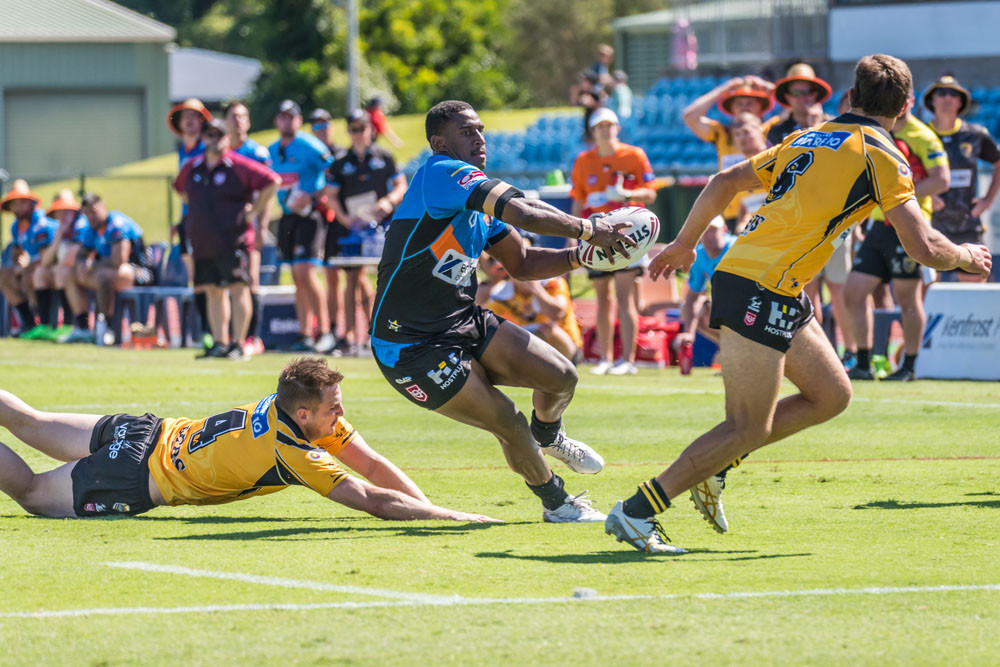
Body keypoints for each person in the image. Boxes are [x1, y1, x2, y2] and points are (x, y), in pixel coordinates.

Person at [604, 54, 992, 553]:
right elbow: (922, 247)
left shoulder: (808, 137)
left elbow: (724, 182)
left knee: (831, 394)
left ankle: (716, 466)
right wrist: (966, 254)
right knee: (746, 427)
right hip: (758, 288)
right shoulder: (884, 155)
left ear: (849, 98)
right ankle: (638, 512)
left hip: (772, 286)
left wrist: (685, 243)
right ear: (906, 105)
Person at [370, 100, 637, 523]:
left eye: (480, 129)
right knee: (508, 423)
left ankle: (547, 435)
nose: (479, 139)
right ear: (440, 143)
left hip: (461, 320)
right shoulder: (442, 173)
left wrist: (583, 255)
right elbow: (524, 212)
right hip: (409, 345)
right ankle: (558, 504)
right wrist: (590, 229)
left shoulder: (475, 205)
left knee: (561, 375)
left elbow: (523, 262)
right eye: (467, 132)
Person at [0, 357, 497, 523]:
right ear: (305, 413)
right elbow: (369, 497)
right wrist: (455, 517)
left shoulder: (291, 407)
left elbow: (371, 464)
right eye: (334, 407)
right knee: (29, 493)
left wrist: (425, 506)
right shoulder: (293, 448)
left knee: (27, 419)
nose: (342, 414)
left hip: (148, 430)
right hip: (133, 476)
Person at [845, 92, 950, 382]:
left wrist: (899, 199)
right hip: (879, 226)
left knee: (907, 299)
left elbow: (942, 179)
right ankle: (863, 363)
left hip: (910, 225)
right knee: (853, 293)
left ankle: (909, 366)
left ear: (910, 101)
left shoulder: (923, 136)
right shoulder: (879, 132)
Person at [175, 118, 281, 360]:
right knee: (212, 290)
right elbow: (180, 188)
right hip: (203, 240)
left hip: (233, 239)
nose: (215, 140)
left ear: (228, 138)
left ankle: (239, 344)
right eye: (210, 135)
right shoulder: (193, 167)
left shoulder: (239, 165)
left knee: (237, 289)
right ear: (204, 139)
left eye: (220, 135)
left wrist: (253, 212)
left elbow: (272, 181)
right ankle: (220, 342)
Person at [569, 107, 657, 376]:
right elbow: (578, 201)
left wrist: (626, 195)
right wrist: (574, 235)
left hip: (628, 235)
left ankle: (627, 360)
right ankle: (606, 358)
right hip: (595, 236)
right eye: (600, 127)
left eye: (610, 125)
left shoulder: (634, 155)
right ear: (593, 132)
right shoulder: (584, 160)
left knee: (624, 296)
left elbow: (651, 194)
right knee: (602, 298)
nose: (606, 130)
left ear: (617, 128)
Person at [324, 109, 408, 356]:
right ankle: (348, 338)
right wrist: (345, 218)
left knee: (386, 279)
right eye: (354, 129)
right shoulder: (340, 163)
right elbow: (331, 197)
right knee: (351, 279)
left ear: (371, 129)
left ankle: (383, 334)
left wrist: (388, 202)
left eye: (363, 128)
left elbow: (400, 185)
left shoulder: (385, 156)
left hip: (383, 227)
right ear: (349, 131)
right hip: (354, 228)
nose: (359, 134)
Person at [269, 100, 337, 352]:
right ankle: (305, 334)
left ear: (298, 121)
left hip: (309, 216)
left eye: (291, 117)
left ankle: (326, 332)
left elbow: (333, 170)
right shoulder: (273, 150)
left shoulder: (309, 145)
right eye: (282, 117)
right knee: (297, 277)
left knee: (307, 273)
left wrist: (312, 196)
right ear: (277, 121)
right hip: (288, 217)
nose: (287, 121)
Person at [925, 75, 1000, 283]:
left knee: (974, 292)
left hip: (967, 223)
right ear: (932, 100)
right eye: (941, 93)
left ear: (961, 102)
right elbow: (904, 171)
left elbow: (998, 163)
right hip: (931, 224)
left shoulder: (974, 134)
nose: (948, 98)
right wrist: (924, 196)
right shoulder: (921, 134)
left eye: (954, 94)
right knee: (927, 293)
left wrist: (987, 201)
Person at [683, 75, 780, 232]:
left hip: (767, 210)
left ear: (759, 107)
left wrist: (768, 87)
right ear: (732, 108)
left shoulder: (771, 130)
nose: (744, 107)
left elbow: (795, 104)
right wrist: (724, 89)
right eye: (739, 103)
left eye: (750, 103)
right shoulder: (723, 134)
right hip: (733, 215)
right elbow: (690, 116)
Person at [224, 99, 273, 356]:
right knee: (226, 282)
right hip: (223, 230)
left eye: (243, 116)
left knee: (249, 281)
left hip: (249, 228)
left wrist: (262, 225)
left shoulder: (257, 152)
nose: (238, 121)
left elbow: (268, 189)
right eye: (233, 116)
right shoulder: (220, 151)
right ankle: (229, 338)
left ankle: (252, 338)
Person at [75, 194, 155, 345]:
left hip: (141, 273)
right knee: (71, 275)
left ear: (103, 207)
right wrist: (82, 265)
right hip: (111, 272)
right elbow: (82, 254)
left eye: (93, 212)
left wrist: (92, 266)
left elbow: (119, 261)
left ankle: (107, 327)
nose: (91, 217)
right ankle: (82, 327)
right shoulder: (93, 229)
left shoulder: (117, 224)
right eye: (87, 214)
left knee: (103, 276)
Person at [168, 98, 214, 348]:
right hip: (189, 219)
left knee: (210, 276)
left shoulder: (206, 147)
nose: (189, 120)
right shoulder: (182, 150)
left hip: (207, 220)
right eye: (184, 115)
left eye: (194, 116)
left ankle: (214, 331)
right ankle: (204, 331)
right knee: (195, 277)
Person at [480, 254, 584, 364]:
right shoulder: (499, 294)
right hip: (527, 346)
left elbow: (557, 313)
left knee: (547, 329)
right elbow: (492, 331)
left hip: (565, 348)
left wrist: (536, 289)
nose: (525, 272)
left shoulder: (552, 283)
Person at [0, 180, 57, 338]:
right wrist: (18, 263)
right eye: (14, 204)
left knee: (29, 276)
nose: (18, 208)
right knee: (4, 276)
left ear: (30, 203)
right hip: (31, 268)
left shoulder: (41, 224)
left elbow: (47, 259)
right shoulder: (15, 226)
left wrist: (26, 266)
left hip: (50, 268)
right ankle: (28, 322)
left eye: (21, 203)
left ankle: (44, 321)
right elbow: (17, 252)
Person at [675, 216, 735, 351]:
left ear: (724, 230)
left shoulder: (736, 249)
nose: (708, 235)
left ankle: (735, 348)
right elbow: (692, 296)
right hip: (726, 305)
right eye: (704, 231)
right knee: (692, 308)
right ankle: (730, 348)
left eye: (713, 230)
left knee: (711, 305)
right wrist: (688, 333)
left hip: (751, 303)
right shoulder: (699, 255)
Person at [41, 191, 92, 343]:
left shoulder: (81, 225)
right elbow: (45, 261)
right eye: (59, 212)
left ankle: (72, 325)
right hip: (76, 272)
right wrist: (58, 237)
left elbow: (69, 260)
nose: (63, 215)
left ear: (74, 211)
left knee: (62, 272)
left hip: (90, 269)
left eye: (66, 211)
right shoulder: (63, 229)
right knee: (41, 273)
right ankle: (45, 325)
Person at [767, 63, 833, 145]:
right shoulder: (777, 132)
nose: (803, 97)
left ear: (816, 94)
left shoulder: (833, 125)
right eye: (796, 92)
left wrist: (817, 127)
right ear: (787, 97)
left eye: (809, 91)